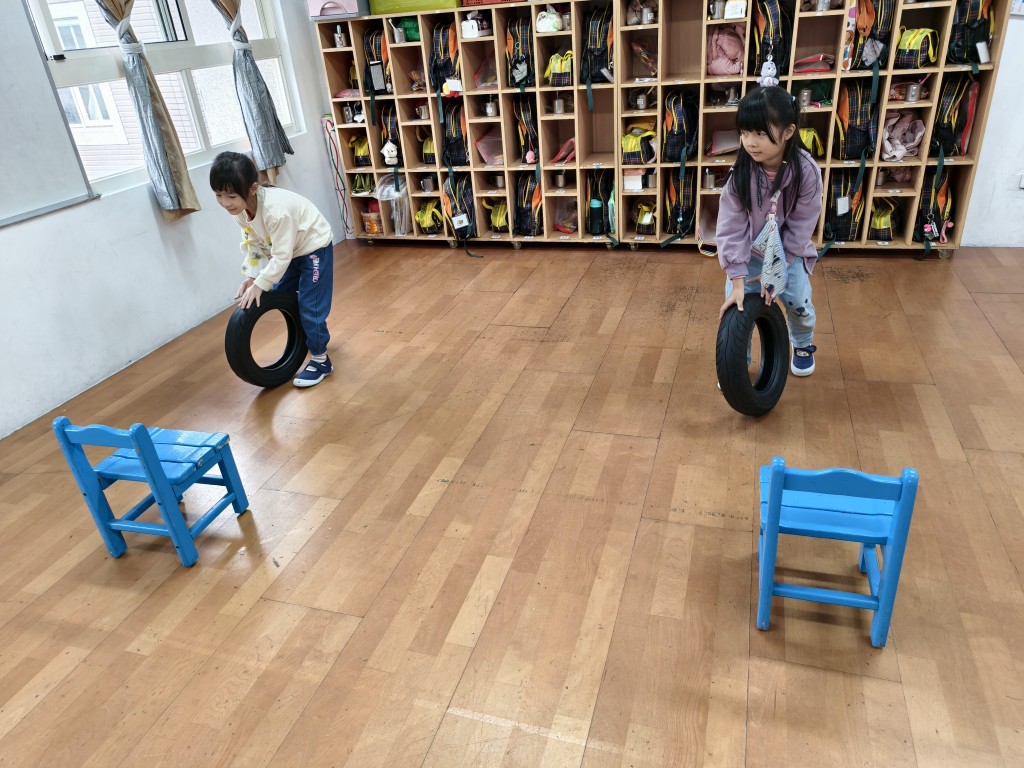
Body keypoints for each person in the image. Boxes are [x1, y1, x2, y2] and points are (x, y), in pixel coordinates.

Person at [716, 85, 823, 376]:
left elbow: (802, 224)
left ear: (788, 132)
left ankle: (802, 343)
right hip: (749, 253)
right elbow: (730, 227)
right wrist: (737, 280)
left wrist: (777, 269)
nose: (750, 142)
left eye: (760, 133)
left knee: (799, 304)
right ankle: (736, 363)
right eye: (744, 133)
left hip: (788, 253)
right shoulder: (741, 173)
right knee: (737, 307)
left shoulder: (807, 172)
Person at [210, 152, 335, 388]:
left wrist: (261, 283)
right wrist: (252, 276)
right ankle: (309, 336)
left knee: (311, 304)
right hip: (289, 250)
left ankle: (321, 360)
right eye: (218, 195)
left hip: (313, 248)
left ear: (253, 188)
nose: (225, 203)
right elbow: (255, 245)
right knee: (280, 293)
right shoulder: (240, 211)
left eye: (231, 196)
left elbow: (281, 256)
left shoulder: (276, 212)